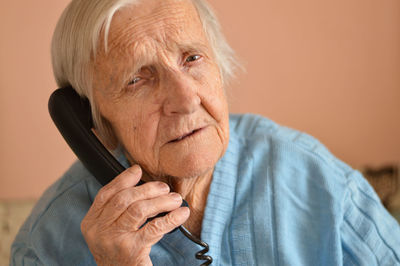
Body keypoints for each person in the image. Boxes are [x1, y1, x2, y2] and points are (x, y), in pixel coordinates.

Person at [11, 0, 400, 265]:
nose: (185, 98)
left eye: (192, 58)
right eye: (137, 79)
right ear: (92, 123)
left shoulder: (317, 180)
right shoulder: (45, 244)